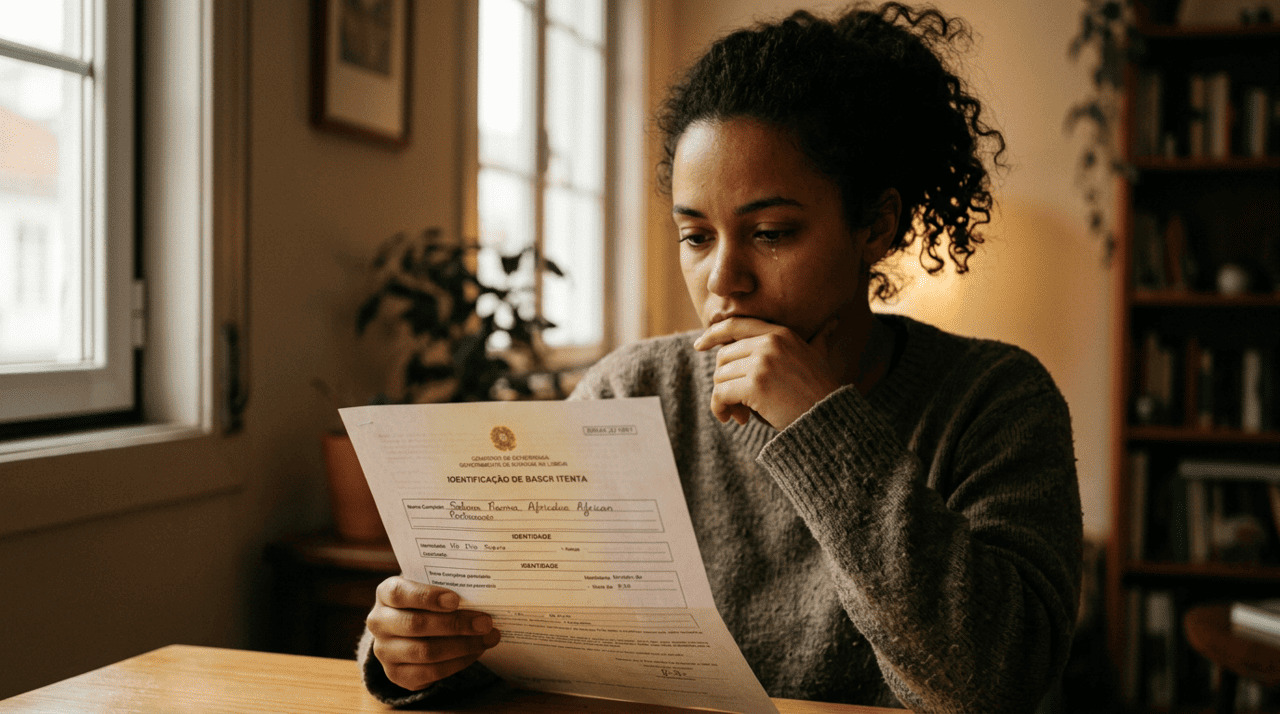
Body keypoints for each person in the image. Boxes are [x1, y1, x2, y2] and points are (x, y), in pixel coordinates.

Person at [358, 3, 1083, 712]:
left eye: (770, 232)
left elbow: (993, 685)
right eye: (697, 237)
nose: (723, 279)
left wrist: (821, 425)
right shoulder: (635, 391)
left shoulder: (997, 399)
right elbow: (524, 640)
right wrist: (416, 652)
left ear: (877, 225)